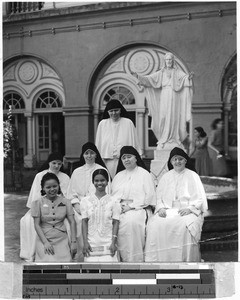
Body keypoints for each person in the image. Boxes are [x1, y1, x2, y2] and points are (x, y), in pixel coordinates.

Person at [145, 147, 208, 262]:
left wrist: (190, 209)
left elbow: (199, 198)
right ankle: (160, 261)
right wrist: (160, 208)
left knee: (184, 226)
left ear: (185, 161)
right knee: (155, 224)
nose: (177, 162)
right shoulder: (165, 177)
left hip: (187, 210)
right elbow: (158, 197)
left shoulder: (192, 175)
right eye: (175, 159)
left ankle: (184, 261)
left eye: (180, 159)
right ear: (171, 162)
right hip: (168, 209)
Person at [132, 52, 194, 149]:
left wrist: (188, 78)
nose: (169, 61)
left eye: (170, 59)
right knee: (163, 117)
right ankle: (163, 138)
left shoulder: (177, 72)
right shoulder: (161, 72)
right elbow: (149, 79)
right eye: (167, 60)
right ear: (165, 61)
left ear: (173, 61)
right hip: (164, 95)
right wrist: (138, 77)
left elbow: (185, 77)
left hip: (174, 96)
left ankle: (173, 138)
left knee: (173, 117)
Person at [20, 152, 70, 261]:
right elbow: (35, 196)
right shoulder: (40, 175)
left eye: (59, 164)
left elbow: (67, 196)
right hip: (42, 206)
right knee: (27, 220)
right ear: (49, 163)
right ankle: (31, 251)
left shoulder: (65, 177)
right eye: (54, 163)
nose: (56, 166)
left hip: (60, 207)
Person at [67, 142, 111, 260]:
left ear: (96, 155)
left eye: (92, 153)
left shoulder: (101, 170)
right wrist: (76, 204)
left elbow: (107, 191)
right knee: (76, 220)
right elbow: (71, 193)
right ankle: (79, 255)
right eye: (86, 153)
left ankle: (95, 255)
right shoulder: (77, 171)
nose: (89, 156)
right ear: (83, 155)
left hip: (97, 205)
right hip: (78, 206)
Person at [111, 146, 156, 262]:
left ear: (136, 158)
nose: (126, 160)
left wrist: (131, 207)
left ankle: (134, 260)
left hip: (139, 208)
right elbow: (113, 196)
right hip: (119, 208)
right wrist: (118, 206)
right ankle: (116, 260)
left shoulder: (145, 174)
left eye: (129, 157)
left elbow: (149, 197)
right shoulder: (118, 176)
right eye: (124, 158)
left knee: (131, 223)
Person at [31, 172, 77, 262]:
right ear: (43, 188)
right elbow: (36, 225)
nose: (52, 189)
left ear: (58, 186)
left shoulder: (66, 202)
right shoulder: (37, 203)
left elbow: (72, 222)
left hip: (62, 239)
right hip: (44, 238)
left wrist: (73, 242)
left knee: (65, 264)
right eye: (48, 187)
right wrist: (45, 243)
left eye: (55, 186)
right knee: (46, 265)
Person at [95, 99, 142, 178]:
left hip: (125, 161)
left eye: (116, 110)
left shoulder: (128, 123)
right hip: (107, 161)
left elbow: (135, 141)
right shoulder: (102, 124)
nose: (114, 113)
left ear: (120, 110)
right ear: (108, 112)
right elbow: (98, 142)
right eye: (111, 111)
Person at [81, 169, 121, 262]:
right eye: (96, 180)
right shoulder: (85, 201)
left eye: (102, 180)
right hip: (91, 245)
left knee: (109, 270)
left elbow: (116, 222)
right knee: (91, 273)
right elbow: (84, 222)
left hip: (108, 245)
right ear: (93, 182)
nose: (99, 183)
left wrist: (113, 243)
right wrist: (85, 243)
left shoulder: (113, 201)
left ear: (107, 182)